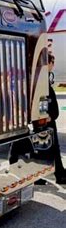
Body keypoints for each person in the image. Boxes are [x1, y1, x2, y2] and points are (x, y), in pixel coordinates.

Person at [47, 53, 66, 184]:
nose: (53, 65)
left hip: (50, 119)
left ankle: (59, 172)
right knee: (53, 147)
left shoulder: (46, 77)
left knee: (52, 148)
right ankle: (60, 174)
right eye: (52, 62)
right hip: (47, 121)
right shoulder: (42, 79)